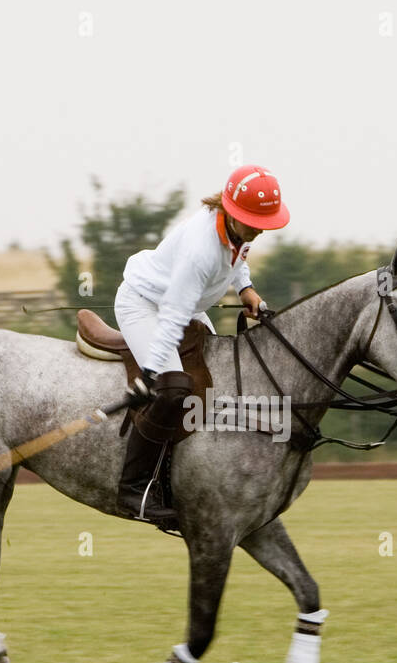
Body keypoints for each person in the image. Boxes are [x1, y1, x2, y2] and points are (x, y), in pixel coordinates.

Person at [114, 164, 291, 525]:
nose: (258, 230)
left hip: (184, 306)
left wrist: (246, 289)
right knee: (174, 388)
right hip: (145, 305)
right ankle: (134, 490)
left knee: (216, 378)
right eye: (253, 222)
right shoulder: (200, 250)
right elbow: (173, 318)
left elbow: (238, 256)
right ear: (231, 213)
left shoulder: (236, 229)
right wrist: (150, 374)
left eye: (263, 223)